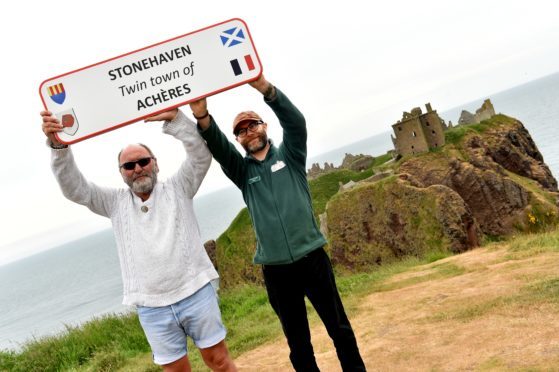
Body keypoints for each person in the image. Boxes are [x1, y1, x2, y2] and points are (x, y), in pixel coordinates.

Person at [191, 74, 366, 371]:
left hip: (313, 259)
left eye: (253, 125)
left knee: (340, 329)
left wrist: (265, 89)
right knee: (298, 344)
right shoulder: (243, 173)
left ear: (264, 127)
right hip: (276, 271)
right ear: (239, 139)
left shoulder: (291, 156)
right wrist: (201, 115)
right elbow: (219, 147)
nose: (249, 132)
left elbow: (296, 124)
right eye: (241, 131)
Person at [41, 109, 237, 372]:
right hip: (151, 307)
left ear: (155, 163)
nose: (138, 169)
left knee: (220, 362)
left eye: (143, 161)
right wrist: (58, 146)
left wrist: (176, 120)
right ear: (121, 173)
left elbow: (201, 156)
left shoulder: (179, 187)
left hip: (196, 293)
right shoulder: (114, 203)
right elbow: (75, 189)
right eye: (129, 166)